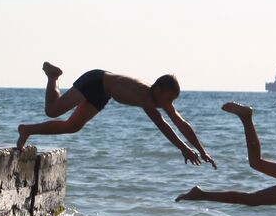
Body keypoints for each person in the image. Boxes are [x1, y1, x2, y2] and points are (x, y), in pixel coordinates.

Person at [16, 62, 217, 166]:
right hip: (95, 81)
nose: (170, 104)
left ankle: (27, 130)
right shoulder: (145, 96)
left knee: (73, 126)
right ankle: (53, 76)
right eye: (169, 99)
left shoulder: (160, 99)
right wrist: (183, 149)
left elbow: (181, 124)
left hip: (104, 93)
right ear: (159, 90)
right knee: (52, 110)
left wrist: (201, 150)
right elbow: (162, 124)